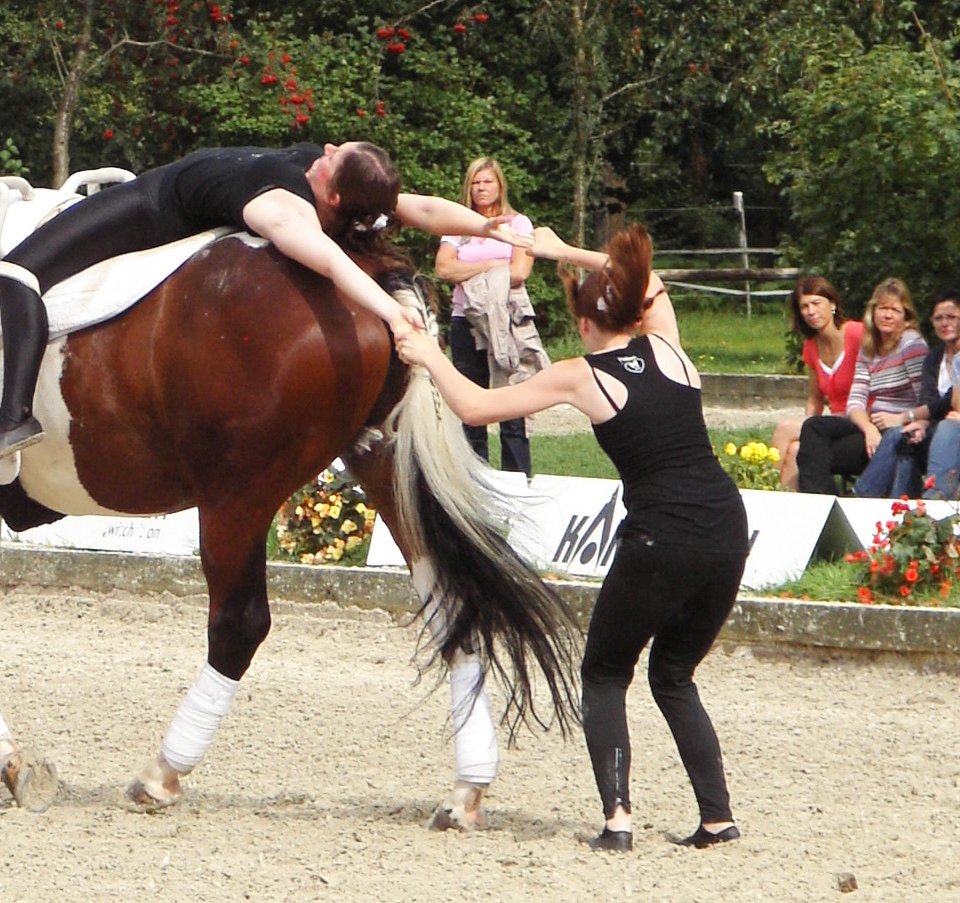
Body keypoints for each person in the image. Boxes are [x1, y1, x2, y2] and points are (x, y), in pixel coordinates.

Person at [397, 223, 747, 853]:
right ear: (635, 311)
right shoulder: (669, 348)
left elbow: (474, 407)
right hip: (727, 525)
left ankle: (618, 822)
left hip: (661, 534)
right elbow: (650, 279)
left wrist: (428, 354)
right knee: (674, 674)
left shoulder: (582, 375)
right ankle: (717, 818)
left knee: (605, 671)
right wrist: (563, 253)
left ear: (584, 323)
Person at [0, 141, 529, 469]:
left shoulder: (282, 209)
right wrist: (488, 226)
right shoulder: (345, 188)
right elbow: (420, 208)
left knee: (17, 270)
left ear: (332, 195)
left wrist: (393, 311)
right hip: (181, 184)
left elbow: (333, 263)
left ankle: (14, 416)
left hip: (154, 203)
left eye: (333, 158)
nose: (325, 149)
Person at [433, 157, 547, 477]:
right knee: (471, 406)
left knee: (512, 404)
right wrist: (494, 266)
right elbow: (443, 268)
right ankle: (475, 479)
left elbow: (520, 272)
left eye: (487, 181)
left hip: (506, 320)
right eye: (476, 182)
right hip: (465, 320)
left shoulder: (518, 224)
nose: (481, 188)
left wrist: (467, 271)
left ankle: (517, 478)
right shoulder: (459, 226)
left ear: (500, 185)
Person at [795, 278, 927, 496]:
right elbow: (856, 400)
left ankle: (853, 499)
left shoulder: (911, 344)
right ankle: (824, 502)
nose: (887, 315)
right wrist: (868, 428)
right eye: (882, 308)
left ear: (906, 315)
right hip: (872, 425)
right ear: (873, 312)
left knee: (816, 455)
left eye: (895, 310)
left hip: (901, 429)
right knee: (813, 428)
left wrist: (901, 418)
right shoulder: (869, 346)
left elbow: (926, 400)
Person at [769, 277, 864, 490]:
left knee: (785, 428)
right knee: (795, 449)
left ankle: (763, 487)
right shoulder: (811, 345)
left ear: (832, 304)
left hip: (861, 416)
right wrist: (809, 425)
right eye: (804, 306)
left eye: (816, 303)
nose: (811, 311)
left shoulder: (856, 333)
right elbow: (815, 398)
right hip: (833, 424)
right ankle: (787, 502)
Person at [902, 291, 960, 500]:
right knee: (901, 436)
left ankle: (935, 501)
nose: (945, 323)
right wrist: (921, 422)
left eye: (951, 317)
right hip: (940, 425)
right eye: (939, 318)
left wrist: (908, 416)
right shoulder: (936, 357)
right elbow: (939, 401)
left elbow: (948, 404)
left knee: (947, 428)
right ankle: (893, 505)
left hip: (948, 428)